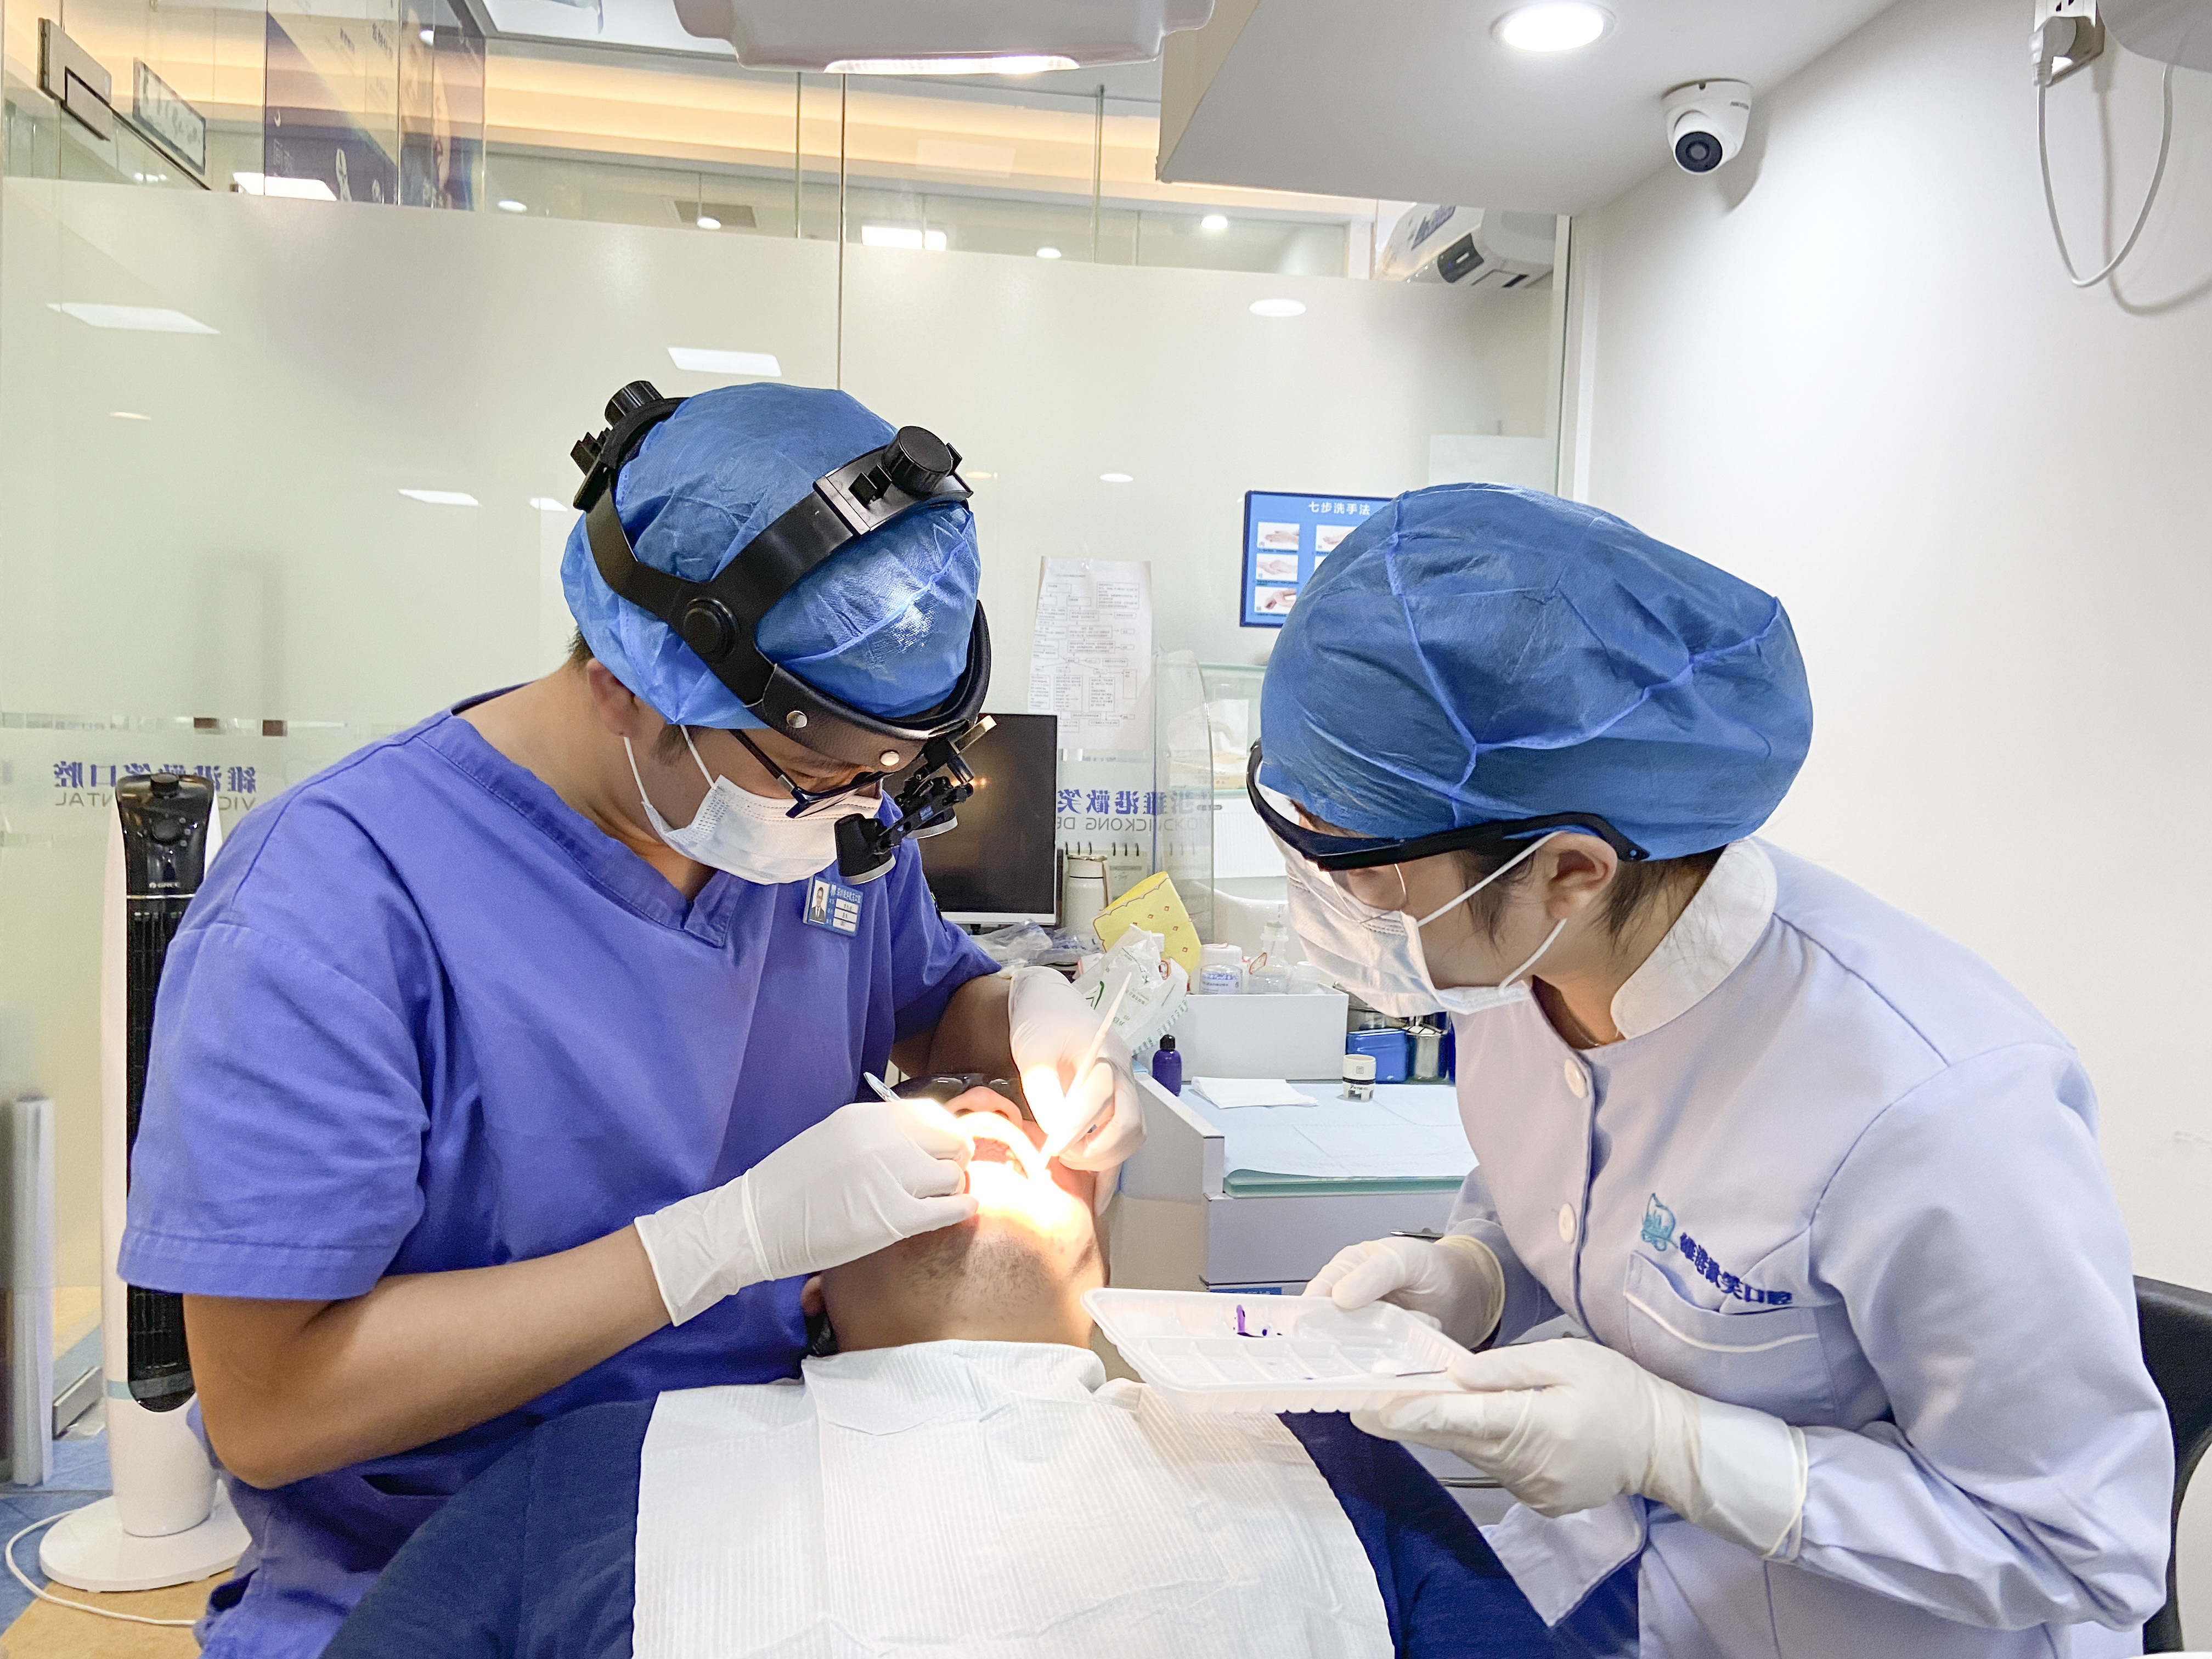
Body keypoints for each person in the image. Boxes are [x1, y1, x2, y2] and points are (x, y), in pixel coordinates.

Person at [117, 383, 1142, 1657]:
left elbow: (931, 1009)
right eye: (816, 776)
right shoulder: (330, 904)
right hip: (439, 1585)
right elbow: (269, 1406)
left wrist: (1030, 1017)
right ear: (622, 687)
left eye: (881, 776)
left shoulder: (824, 830)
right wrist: (714, 1245)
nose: (856, 812)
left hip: (766, 1523)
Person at [1255, 484, 2170, 1657]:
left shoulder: (1933, 1105)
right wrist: (1471, 1275)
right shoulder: (1510, 967)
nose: (1335, 898)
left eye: (1363, 861)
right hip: (1595, 1582)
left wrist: (1680, 1450)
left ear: (1571, 870)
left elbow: (2085, 1546)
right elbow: (1572, 1210)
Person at [323, 1094, 1590, 1659]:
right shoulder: (599, 1473)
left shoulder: (1314, 1450)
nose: (979, 1123)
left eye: (1019, 1142)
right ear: (809, 1282)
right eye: (913, 1151)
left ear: (1100, 1280)